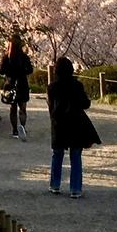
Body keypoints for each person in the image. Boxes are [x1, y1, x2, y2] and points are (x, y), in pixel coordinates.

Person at [46, 55, 100, 197]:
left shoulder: (52, 87)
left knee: (57, 154)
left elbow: (51, 108)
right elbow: (85, 104)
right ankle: (75, 189)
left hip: (59, 124)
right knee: (75, 156)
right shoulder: (77, 85)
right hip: (76, 123)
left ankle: (55, 185)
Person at [0, 33, 35, 141]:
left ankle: (14, 130)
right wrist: (22, 71)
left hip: (10, 84)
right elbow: (30, 70)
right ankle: (22, 127)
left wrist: (9, 73)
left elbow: (1, 71)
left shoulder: (6, 57)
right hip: (22, 83)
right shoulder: (24, 57)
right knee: (23, 108)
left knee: (13, 108)